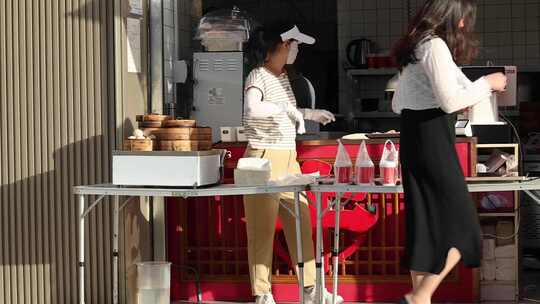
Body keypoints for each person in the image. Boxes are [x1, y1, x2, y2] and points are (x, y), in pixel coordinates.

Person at [391, 1, 507, 303]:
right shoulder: (435, 46)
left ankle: (421, 299)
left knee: (423, 223)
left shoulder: (419, 45)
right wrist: (488, 83)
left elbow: (397, 103)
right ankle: (421, 295)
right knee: (466, 228)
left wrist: (468, 92)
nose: (465, 26)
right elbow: (450, 101)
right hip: (432, 139)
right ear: (452, 18)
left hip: (415, 137)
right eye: (464, 20)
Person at [242, 22, 342, 304]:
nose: (293, 50)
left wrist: (310, 113)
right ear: (274, 48)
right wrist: (288, 109)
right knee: (261, 230)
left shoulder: (282, 77)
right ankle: (262, 293)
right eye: (290, 45)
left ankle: (311, 290)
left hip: (288, 157)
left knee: (301, 223)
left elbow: (287, 111)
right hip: (262, 158)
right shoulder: (257, 75)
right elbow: (253, 108)